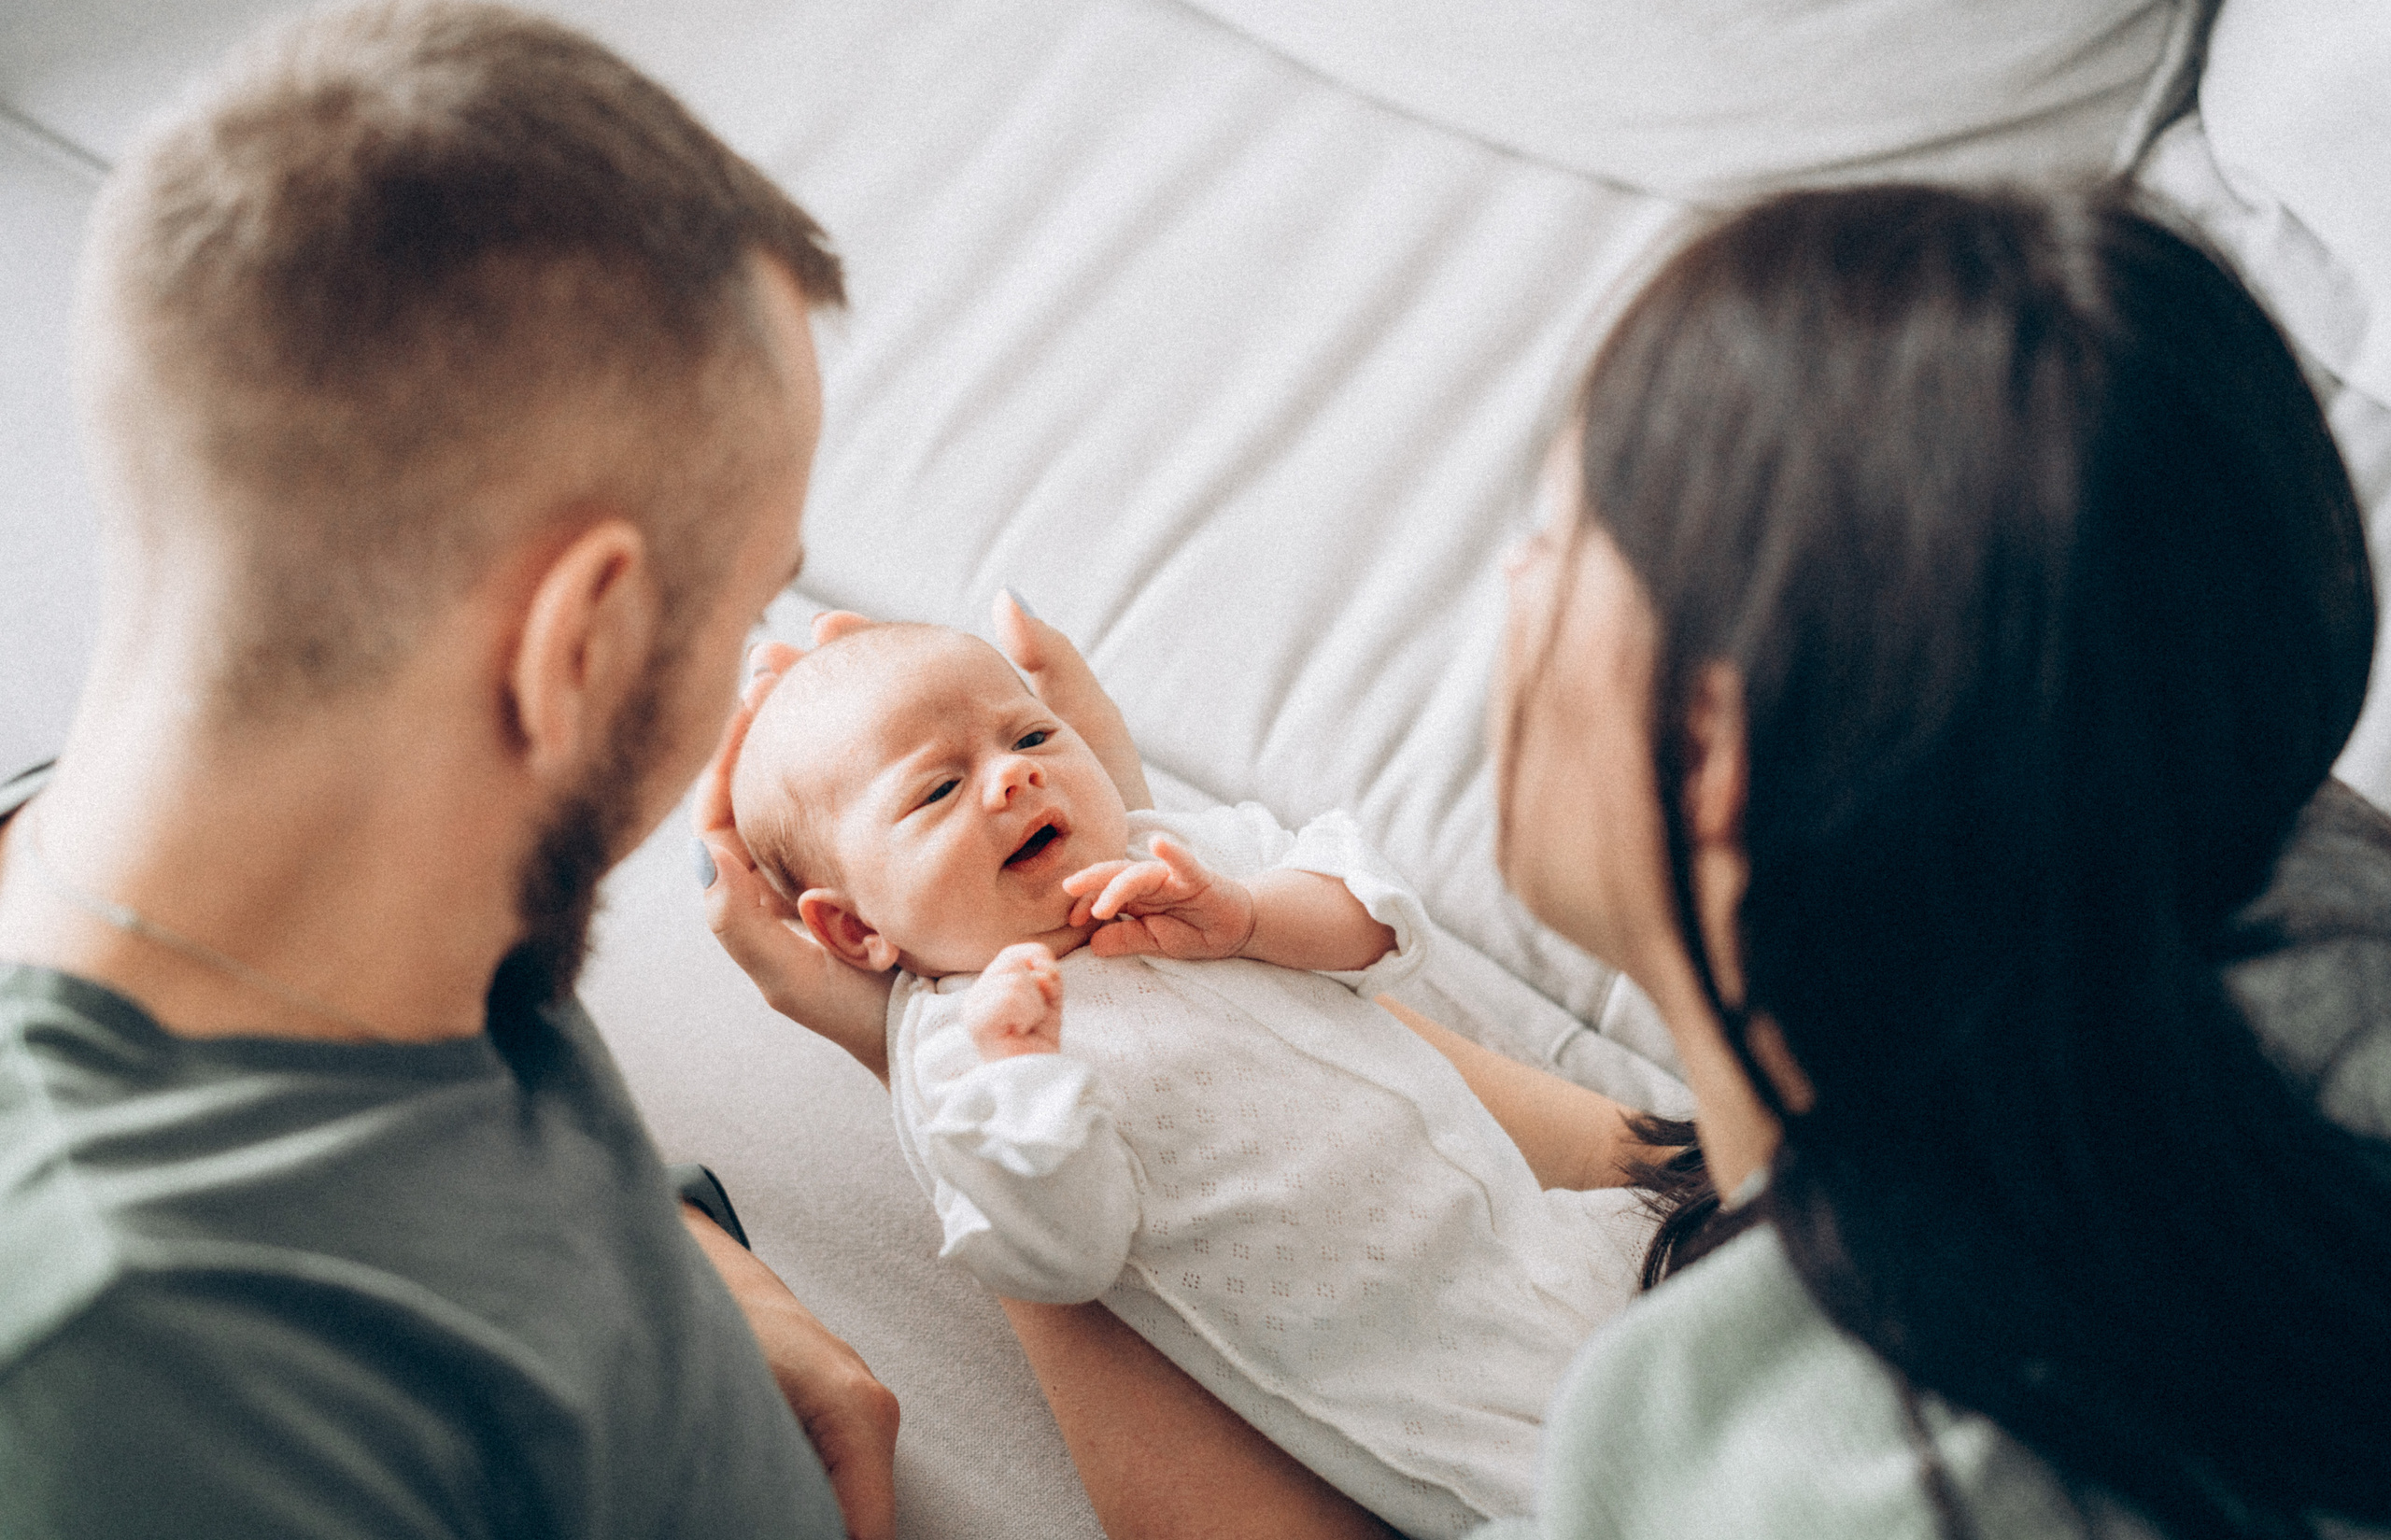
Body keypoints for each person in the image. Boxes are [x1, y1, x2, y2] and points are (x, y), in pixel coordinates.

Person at [711, 182, 2391, 1539]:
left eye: (1563, 543)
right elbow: (1659, 1161)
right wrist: (1169, 921)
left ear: (1711, 758)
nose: (1510, 583)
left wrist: (933, 1085)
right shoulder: (2285, 875)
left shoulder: (1747, 1470)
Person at [0, 4, 908, 1534]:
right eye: (750, 605)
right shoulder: (138, 1401)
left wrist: (687, 1263)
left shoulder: (255, 836)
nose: (755, 667)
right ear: (579, 642)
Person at [718, 615, 1655, 1537]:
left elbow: (1382, 924)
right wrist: (1022, 1073)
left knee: (1709, 1273)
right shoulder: (957, 1051)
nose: (1015, 772)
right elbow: (1061, 1255)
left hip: (1545, 1234)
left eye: (1033, 732)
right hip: (1419, 1376)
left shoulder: (1168, 849)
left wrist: (1251, 916)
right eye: (936, 789)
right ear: (854, 929)